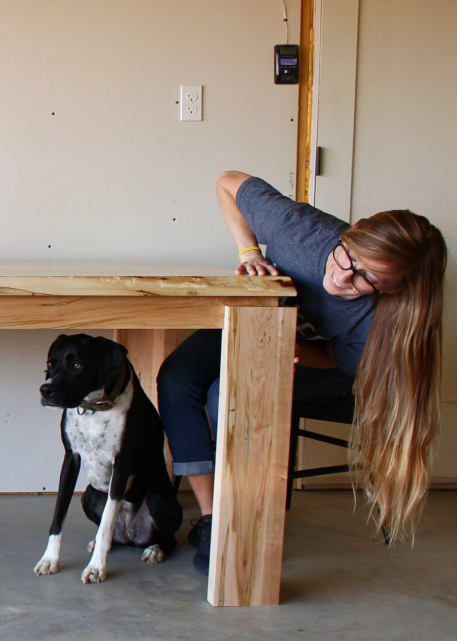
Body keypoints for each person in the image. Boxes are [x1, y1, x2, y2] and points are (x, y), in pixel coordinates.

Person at [157, 170, 447, 575]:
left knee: (227, 391)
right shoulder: (300, 229)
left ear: (395, 289)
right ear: (353, 233)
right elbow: (227, 182)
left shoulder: (382, 322)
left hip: (323, 361)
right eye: (350, 257)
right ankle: (211, 519)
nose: (343, 277)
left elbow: (334, 357)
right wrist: (249, 253)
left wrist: (294, 352)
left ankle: (240, 521)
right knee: (177, 376)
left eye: (368, 279)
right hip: (260, 322)